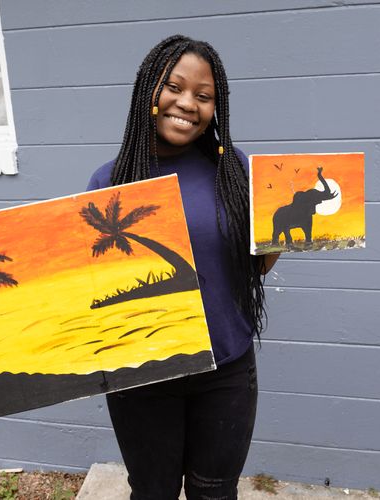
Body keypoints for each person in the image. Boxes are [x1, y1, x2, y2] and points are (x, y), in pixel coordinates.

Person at [86, 34, 279, 500]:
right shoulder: (109, 181)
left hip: (226, 370)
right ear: (149, 91)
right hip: (142, 375)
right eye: (174, 87)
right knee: (153, 491)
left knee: (214, 491)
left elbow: (255, 269)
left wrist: (281, 233)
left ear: (217, 107)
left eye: (203, 95)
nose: (187, 103)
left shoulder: (233, 168)